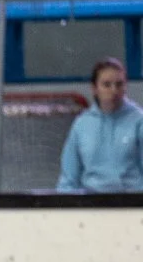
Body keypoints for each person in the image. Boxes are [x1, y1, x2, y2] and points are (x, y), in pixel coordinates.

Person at [57, 57, 143, 193]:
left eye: (119, 84)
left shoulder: (139, 120)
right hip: (91, 204)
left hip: (133, 203)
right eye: (107, 85)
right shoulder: (81, 124)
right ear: (94, 88)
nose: (114, 90)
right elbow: (68, 179)